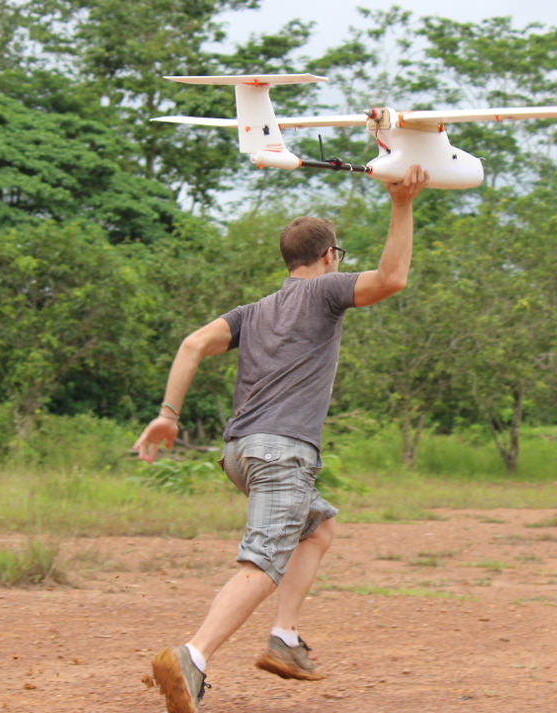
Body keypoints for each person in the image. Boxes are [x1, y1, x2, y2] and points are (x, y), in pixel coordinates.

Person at [132, 164, 430, 713]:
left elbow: (193, 343)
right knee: (264, 559)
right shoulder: (325, 293)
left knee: (317, 528)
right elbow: (392, 279)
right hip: (282, 452)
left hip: (240, 453)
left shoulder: (253, 312)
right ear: (328, 256)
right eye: (338, 255)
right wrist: (402, 203)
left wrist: (167, 415)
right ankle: (192, 658)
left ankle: (284, 639)